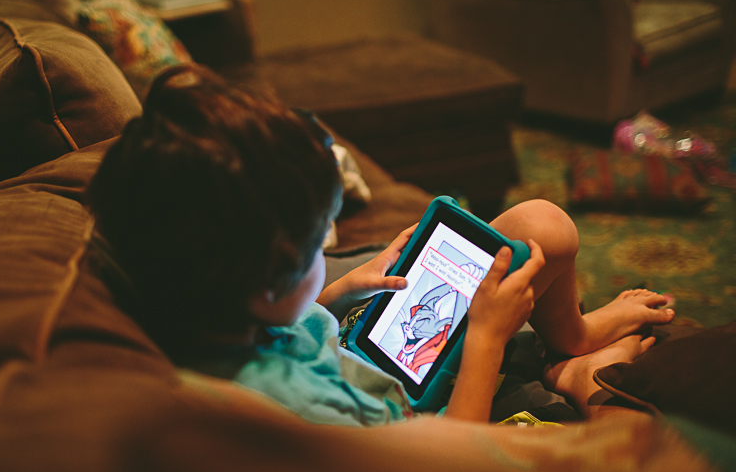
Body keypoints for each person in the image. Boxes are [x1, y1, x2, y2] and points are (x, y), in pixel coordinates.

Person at [87, 64, 674, 426]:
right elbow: (450, 471)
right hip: (435, 418)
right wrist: (488, 340)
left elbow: (283, 324)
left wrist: (343, 287)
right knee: (632, 429)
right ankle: (577, 378)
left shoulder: (209, 311)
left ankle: (571, 338)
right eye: (320, 243)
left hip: (371, 354)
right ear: (268, 279)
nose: (326, 253)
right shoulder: (299, 416)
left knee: (542, 225)